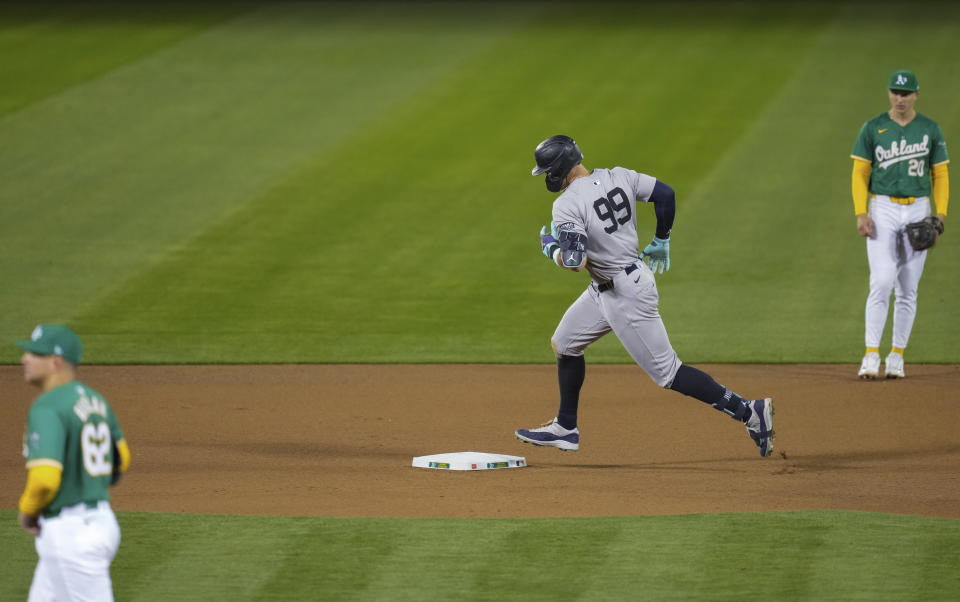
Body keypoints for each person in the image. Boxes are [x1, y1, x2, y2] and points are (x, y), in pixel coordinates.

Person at [515, 135, 774, 457]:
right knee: (565, 343)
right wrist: (662, 238)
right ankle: (566, 427)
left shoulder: (566, 204)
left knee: (668, 373)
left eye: (548, 171)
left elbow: (574, 262)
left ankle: (750, 412)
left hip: (625, 295)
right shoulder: (619, 175)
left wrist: (549, 246)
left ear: (558, 169)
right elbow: (665, 194)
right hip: (610, 287)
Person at [15, 324, 131, 601]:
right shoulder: (96, 400)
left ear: (55, 363)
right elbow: (122, 459)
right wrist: (88, 484)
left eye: (34, 354)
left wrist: (27, 510)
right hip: (101, 522)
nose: (24, 359)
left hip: (71, 535)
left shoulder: (47, 406)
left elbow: (44, 479)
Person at [852, 70, 949, 379]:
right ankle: (870, 354)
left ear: (916, 95)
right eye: (895, 92)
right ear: (889, 93)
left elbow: (941, 175)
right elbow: (860, 173)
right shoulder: (873, 127)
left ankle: (897, 355)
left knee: (908, 287)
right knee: (881, 281)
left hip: (919, 208)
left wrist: (940, 215)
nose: (900, 98)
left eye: (906, 93)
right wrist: (860, 212)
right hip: (881, 207)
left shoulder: (930, 129)